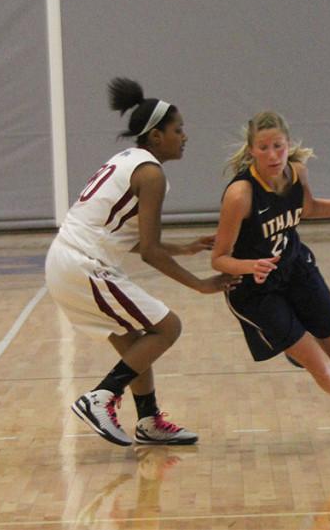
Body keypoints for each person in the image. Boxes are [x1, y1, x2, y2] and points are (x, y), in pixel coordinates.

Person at [46, 77, 237, 446]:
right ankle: (100, 397)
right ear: (155, 137)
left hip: (70, 261)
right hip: (83, 264)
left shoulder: (126, 160)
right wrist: (200, 284)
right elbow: (150, 251)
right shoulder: (151, 173)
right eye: (178, 130)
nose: (185, 136)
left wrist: (183, 248)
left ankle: (148, 419)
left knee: (136, 342)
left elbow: (121, 235)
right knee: (168, 328)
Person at [210, 110, 330, 443]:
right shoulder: (240, 195)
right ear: (251, 151)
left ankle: (294, 345)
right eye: (263, 148)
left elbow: (309, 208)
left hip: (296, 268)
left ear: (288, 145)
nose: (272, 155)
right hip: (255, 289)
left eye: (278, 146)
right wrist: (250, 266)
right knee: (320, 365)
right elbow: (219, 259)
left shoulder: (296, 172)